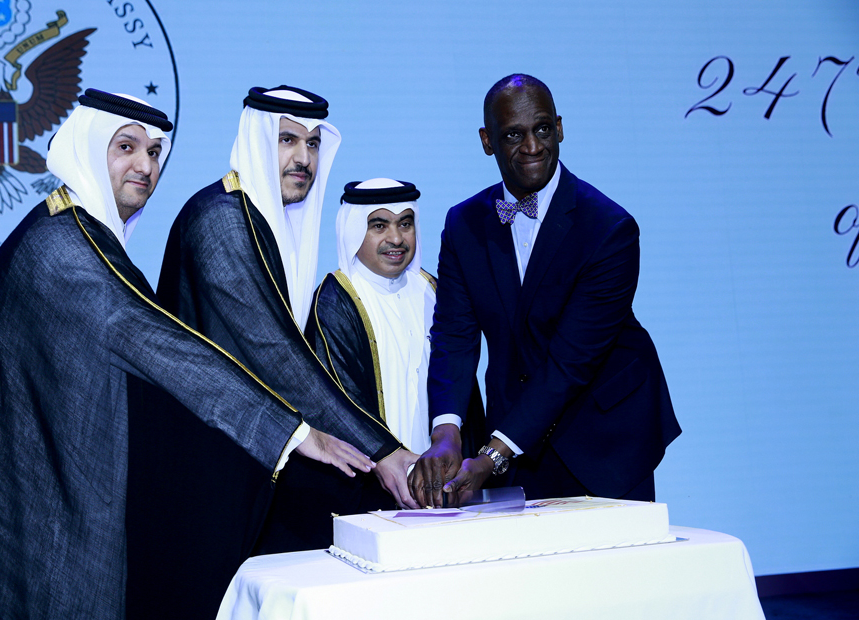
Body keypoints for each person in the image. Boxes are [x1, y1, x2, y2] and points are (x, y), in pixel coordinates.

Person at [0, 89, 374, 620]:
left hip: (56, 491)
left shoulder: (80, 231)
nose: (145, 166)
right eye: (127, 147)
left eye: (154, 153)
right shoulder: (62, 248)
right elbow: (154, 343)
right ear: (89, 149)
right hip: (42, 514)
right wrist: (292, 433)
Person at [158, 87, 420, 553]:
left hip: (255, 453)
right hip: (212, 465)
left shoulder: (265, 221)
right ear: (260, 142)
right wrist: (382, 450)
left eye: (313, 144)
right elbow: (273, 351)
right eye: (288, 140)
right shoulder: (220, 219)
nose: (303, 158)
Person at [410, 74, 681, 508]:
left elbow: (570, 362)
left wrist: (493, 454)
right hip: (517, 436)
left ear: (559, 128)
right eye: (514, 135)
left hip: (605, 434)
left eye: (541, 130)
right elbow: (454, 335)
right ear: (487, 140)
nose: (533, 146)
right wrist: (446, 432)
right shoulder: (464, 225)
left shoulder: (609, 229)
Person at [305, 179, 485, 482]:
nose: (396, 238)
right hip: (373, 481)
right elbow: (338, 405)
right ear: (354, 231)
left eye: (405, 224)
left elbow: (460, 384)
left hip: (442, 479)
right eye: (379, 226)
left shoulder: (432, 290)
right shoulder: (336, 300)